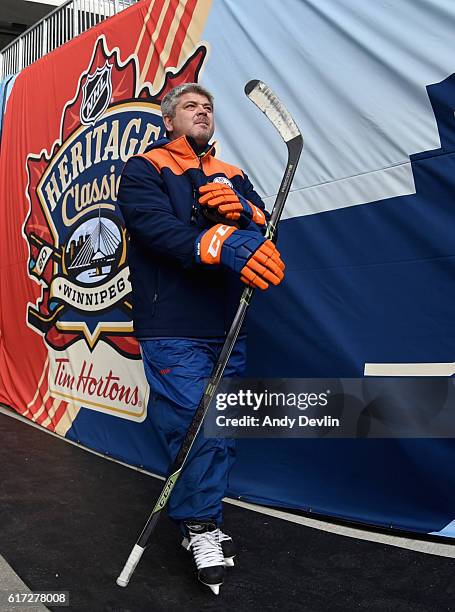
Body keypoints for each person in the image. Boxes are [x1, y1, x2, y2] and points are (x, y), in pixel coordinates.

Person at [117, 82, 285, 594]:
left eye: (208, 107)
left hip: (226, 324)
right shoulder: (144, 169)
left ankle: (201, 516)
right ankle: (200, 526)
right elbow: (157, 231)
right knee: (198, 427)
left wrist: (244, 215)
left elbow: (265, 229)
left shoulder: (231, 174)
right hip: (171, 327)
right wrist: (219, 239)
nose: (202, 112)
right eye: (190, 106)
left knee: (221, 430)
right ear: (169, 120)